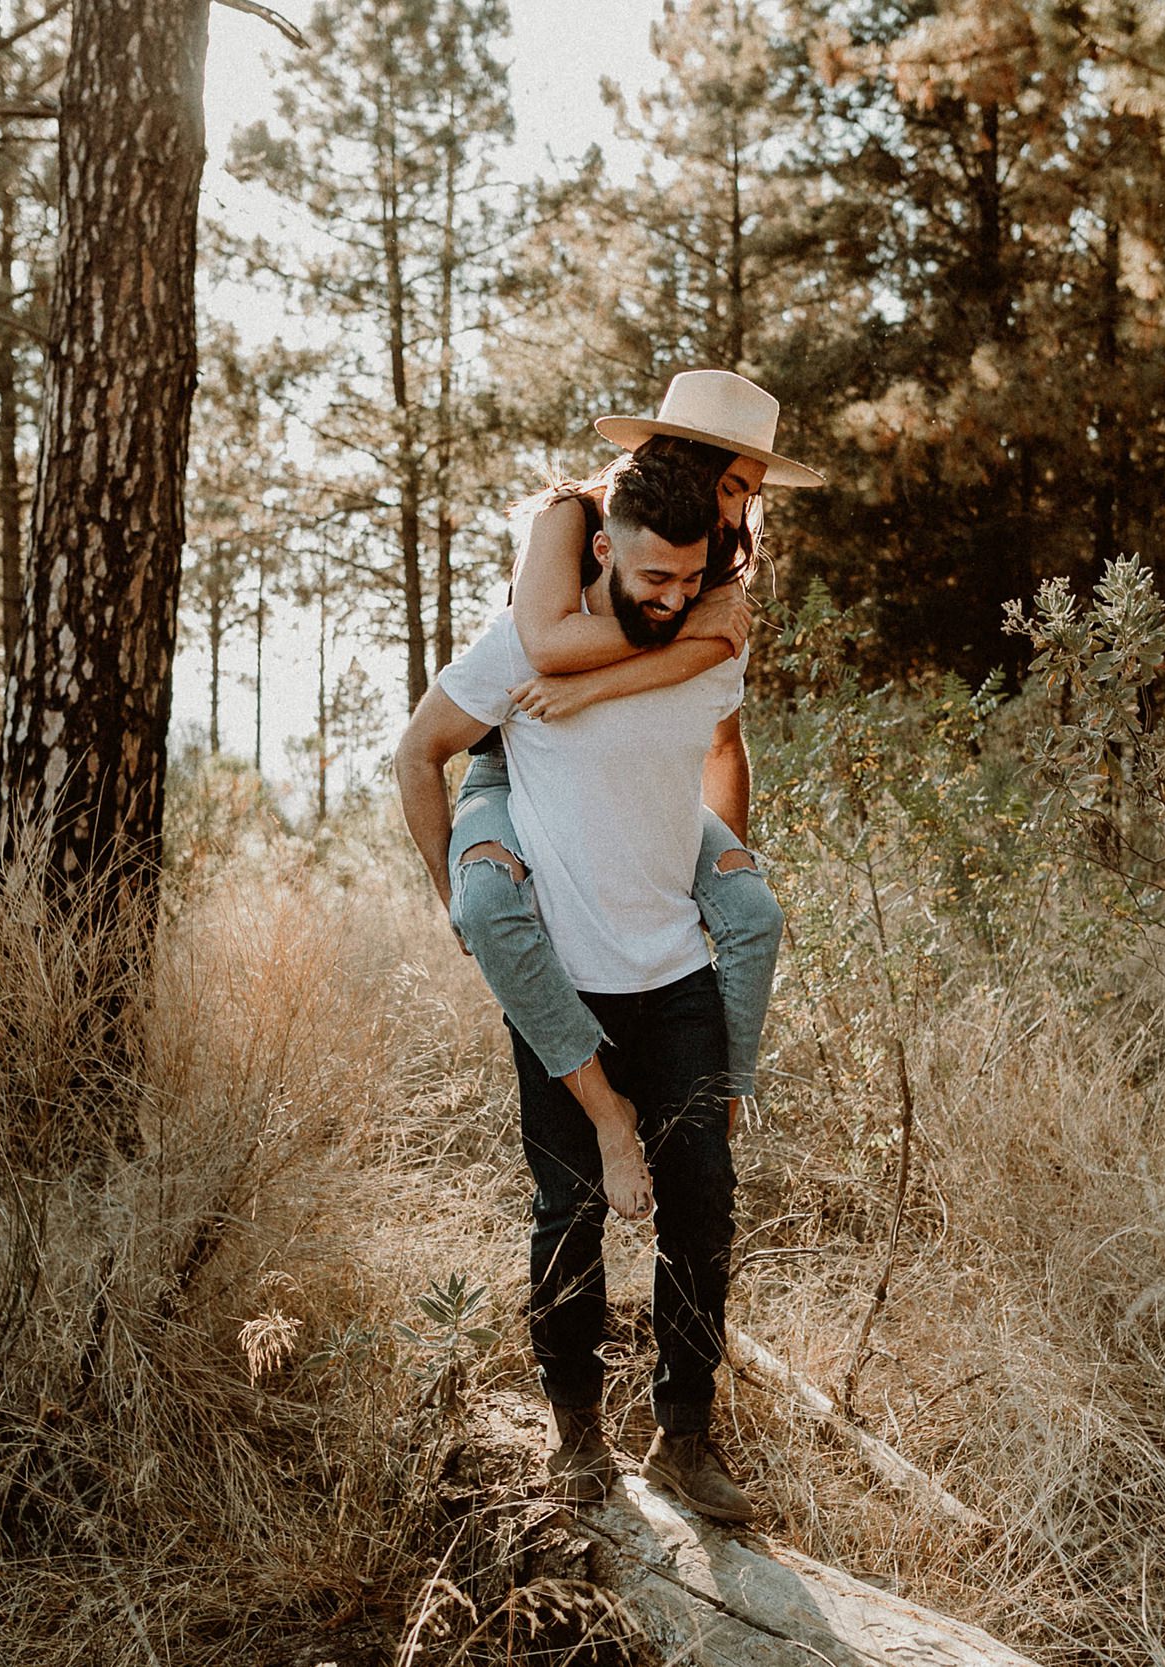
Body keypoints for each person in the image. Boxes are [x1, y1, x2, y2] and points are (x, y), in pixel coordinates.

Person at [394, 444, 775, 1523]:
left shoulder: (708, 638)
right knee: (568, 1213)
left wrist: (722, 859)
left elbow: (720, 748)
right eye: (649, 577)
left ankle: (684, 1438)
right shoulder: (524, 645)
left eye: (687, 580)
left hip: (678, 972)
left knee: (702, 1209)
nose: (668, 598)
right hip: (568, 981)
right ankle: (576, 1437)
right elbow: (418, 751)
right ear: (602, 548)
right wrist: (454, 895)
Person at [445, 372, 824, 1208]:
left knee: (754, 914)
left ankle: (719, 1102)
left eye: (749, 494)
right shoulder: (571, 519)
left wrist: (709, 867)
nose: (735, 513)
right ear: (683, 457)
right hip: (515, 759)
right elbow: (545, 641)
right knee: (486, 903)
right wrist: (618, 665)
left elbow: (715, 660)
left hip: (616, 764)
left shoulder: (715, 554)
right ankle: (602, 1107)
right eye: (729, 484)